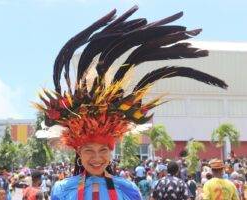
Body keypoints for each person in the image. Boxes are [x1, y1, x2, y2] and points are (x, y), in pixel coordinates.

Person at [34, 5, 227, 200]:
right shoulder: (61, 189)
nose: (97, 158)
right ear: (78, 153)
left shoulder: (128, 189)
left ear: (111, 151)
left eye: (103, 150)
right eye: (88, 150)